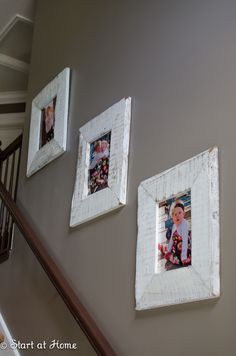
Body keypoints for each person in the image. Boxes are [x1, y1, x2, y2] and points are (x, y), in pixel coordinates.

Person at [159, 200, 191, 271]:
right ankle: (164, 249)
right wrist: (169, 250)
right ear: (172, 217)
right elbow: (171, 240)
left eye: (180, 212)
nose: (177, 216)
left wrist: (183, 257)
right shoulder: (174, 226)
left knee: (177, 258)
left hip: (184, 248)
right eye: (175, 214)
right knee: (169, 253)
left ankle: (166, 251)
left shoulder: (184, 224)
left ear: (183, 213)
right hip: (176, 246)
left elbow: (185, 242)